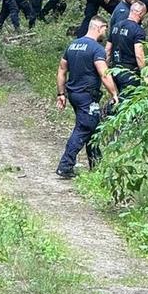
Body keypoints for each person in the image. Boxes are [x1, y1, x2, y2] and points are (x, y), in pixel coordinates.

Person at [56, 16, 119, 179]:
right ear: (98, 27)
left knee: (93, 127)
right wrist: (114, 94)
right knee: (84, 128)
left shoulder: (73, 45)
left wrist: (61, 94)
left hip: (74, 95)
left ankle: (96, 166)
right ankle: (65, 166)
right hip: (87, 97)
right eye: (105, 28)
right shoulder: (96, 49)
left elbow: (62, 70)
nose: (106, 32)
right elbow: (104, 74)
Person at [107, 0, 147, 98]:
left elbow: (107, 50)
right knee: (128, 104)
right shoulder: (138, 30)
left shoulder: (116, 27)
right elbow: (139, 55)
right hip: (129, 73)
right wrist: (145, 75)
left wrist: (107, 70)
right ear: (140, 13)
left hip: (114, 70)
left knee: (117, 99)